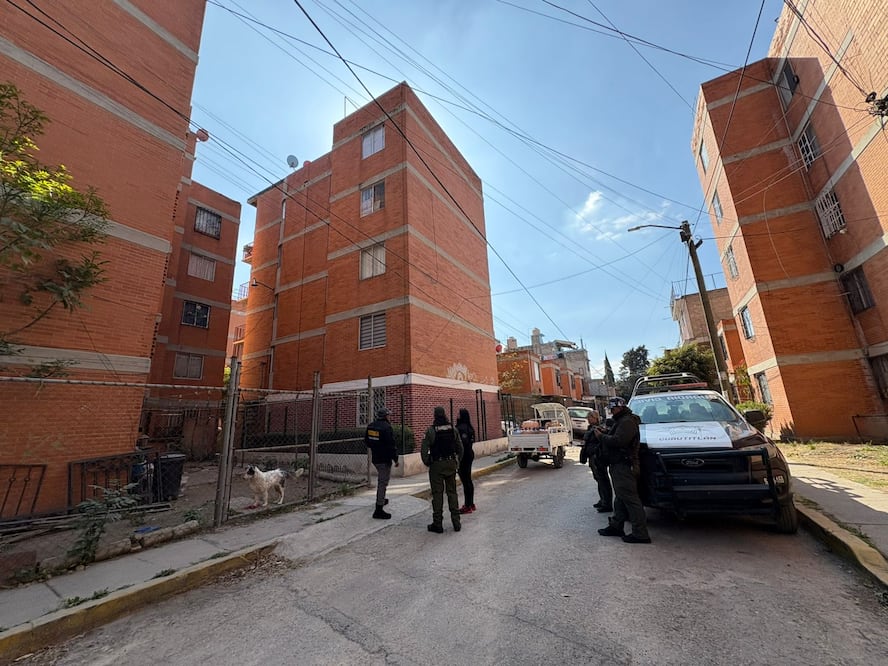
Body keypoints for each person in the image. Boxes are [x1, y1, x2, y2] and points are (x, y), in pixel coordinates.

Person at [596, 397, 651, 544]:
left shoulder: (627, 422)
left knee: (630, 500)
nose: (611, 411)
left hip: (624, 465)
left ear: (619, 408)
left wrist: (602, 437)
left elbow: (618, 441)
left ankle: (640, 533)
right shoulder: (621, 421)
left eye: (613, 409)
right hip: (618, 464)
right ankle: (616, 526)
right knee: (620, 498)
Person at [420, 406, 463, 533]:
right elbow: (460, 447)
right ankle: (456, 522)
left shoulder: (431, 431)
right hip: (450, 463)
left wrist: (428, 461)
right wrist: (457, 461)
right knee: (452, 492)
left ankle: (437, 523)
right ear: (444, 414)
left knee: (437, 494)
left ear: (434, 415)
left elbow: (423, 449)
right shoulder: (452, 429)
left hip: (437, 465)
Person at [364, 407, 399, 519]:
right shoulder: (387, 427)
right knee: (383, 483)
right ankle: (378, 509)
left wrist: (376, 446)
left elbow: (367, 442)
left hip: (375, 458)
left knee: (382, 480)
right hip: (384, 460)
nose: (390, 417)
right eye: (388, 415)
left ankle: (382, 499)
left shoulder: (371, 426)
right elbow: (391, 445)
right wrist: (396, 459)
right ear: (385, 416)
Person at [581, 410, 613, 513]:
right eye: (588, 417)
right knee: (598, 479)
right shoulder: (591, 428)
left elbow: (602, 441)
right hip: (592, 456)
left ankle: (606, 503)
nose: (588, 419)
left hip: (597, 457)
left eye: (590, 417)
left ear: (595, 418)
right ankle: (603, 499)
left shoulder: (600, 429)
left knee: (603, 479)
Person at [455, 408, 476, 514]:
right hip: (470, 455)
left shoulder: (461, 428)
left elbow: (462, 445)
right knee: (468, 480)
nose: (457, 415)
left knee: (465, 480)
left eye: (458, 413)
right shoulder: (470, 428)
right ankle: (471, 503)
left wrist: (458, 458)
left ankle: (467, 505)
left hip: (464, 457)